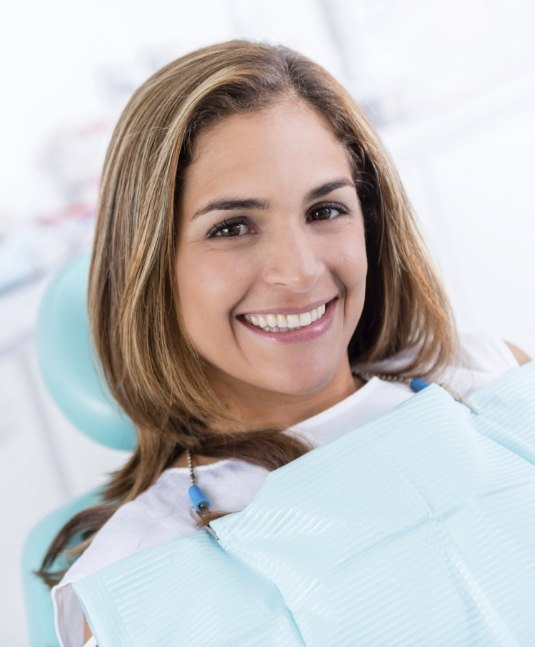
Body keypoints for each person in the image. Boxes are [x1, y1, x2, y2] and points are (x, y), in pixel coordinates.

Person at [39, 40, 531, 646]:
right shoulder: (138, 578)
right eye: (232, 227)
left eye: (325, 210)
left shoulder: (489, 378)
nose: (298, 272)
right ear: (150, 267)